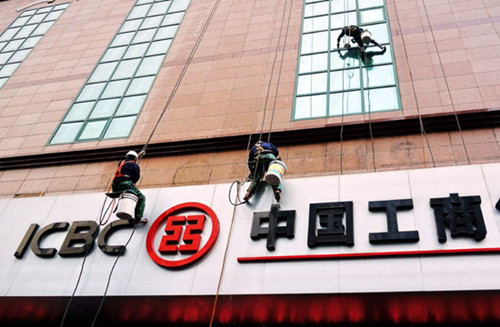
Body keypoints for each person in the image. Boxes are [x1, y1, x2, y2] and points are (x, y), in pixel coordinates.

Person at [112, 150, 147, 224]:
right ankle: (138, 218)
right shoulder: (134, 165)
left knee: (127, 195)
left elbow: (128, 163)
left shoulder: (121, 163)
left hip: (115, 185)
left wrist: (138, 155)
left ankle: (130, 216)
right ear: (135, 159)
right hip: (125, 184)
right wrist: (133, 182)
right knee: (141, 198)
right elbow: (136, 177)